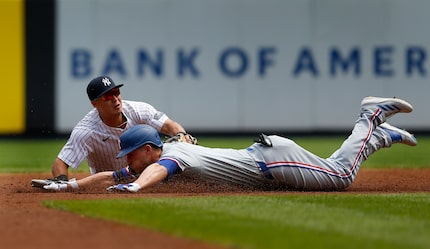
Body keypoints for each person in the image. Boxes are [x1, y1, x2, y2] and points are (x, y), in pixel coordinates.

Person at [33, 96, 417, 192]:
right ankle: (378, 135)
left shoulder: (173, 155)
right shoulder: (148, 158)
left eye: (130, 153)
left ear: (149, 148)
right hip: (266, 159)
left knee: (341, 177)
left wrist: (135, 186)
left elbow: (156, 171)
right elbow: (106, 174)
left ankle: (370, 119)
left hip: (272, 162)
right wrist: (71, 185)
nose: (126, 161)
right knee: (335, 169)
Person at [48, 75, 195, 181]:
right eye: (107, 96)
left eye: (116, 92)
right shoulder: (86, 131)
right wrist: (61, 181)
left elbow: (170, 125)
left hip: (149, 176)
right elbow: (60, 163)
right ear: (95, 104)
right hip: (111, 182)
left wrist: (182, 134)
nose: (115, 99)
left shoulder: (138, 110)